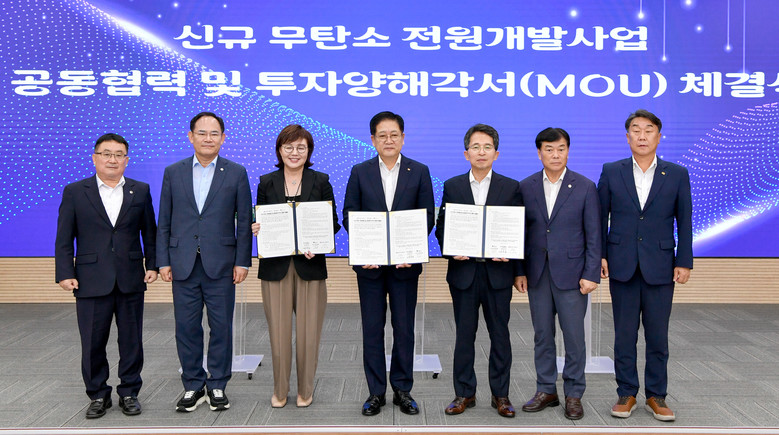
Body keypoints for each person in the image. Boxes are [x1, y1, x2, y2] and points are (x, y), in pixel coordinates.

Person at [598, 109, 693, 422]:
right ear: (627, 137)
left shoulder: (676, 173)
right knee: (624, 335)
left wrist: (684, 261)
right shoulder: (611, 171)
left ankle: (656, 395)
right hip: (621, 263)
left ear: (659, 137)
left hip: (661, 265)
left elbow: (685, 220)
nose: (642, 136)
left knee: (657, 336)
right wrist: (600, 255)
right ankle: (626, 393)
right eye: (636, 130)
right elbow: (599, 217)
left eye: (648, 130)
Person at [55, 133, 157, 419]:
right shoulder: (75, 191)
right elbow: (64, 237)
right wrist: (64, 272)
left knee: (131, 340)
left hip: (130, 277)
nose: (113, 159)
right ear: (95, 158)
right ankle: (98, 394)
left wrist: (152, 265)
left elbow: (150, 232)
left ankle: (129, 392)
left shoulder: (140, 190)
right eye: (106, 154)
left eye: (119, 154)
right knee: (92, 342)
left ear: (127, 159)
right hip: (89, 278)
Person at [157, 112, 252, 412]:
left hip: (222, 264)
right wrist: (162, 261)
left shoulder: (236, 173)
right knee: (186, 327)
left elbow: (244, 221)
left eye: (214, 133)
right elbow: (164, 220)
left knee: (221, 326)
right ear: (191, 136)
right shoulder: (173, 172)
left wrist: (242, 261)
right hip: (182, 262)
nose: (208, 138)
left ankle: (218, 384)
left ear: (223, 138)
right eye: (202, 133)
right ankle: (193, 384)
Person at [342, 111, 435, 416]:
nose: (389, 140)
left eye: (394, 134)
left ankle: (403, 389)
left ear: (403, 138)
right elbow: (349, 214)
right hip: (369, 267)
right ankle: (375, 392)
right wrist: (364, 250)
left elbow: (427, 216)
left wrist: (412, 249)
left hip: (405, 267)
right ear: (373, 140)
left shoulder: (419, 171)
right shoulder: (360, 171)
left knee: (404, 328)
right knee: (372, 328)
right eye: (382, 135)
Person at [435, 124, 523, 418]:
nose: (481, 152)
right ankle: (464, 393)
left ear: (496, 153)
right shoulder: (453, 186)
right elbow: (443, 227)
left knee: (500, 336)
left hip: (499, 275)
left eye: (487, 147)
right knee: (464, 335)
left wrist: (516, 266)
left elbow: (518, 230)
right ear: (466, 153)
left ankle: (501, 395)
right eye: (475, 147)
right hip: (464, 272)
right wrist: (451, 248)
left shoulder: (511, 187)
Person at [251, 125, 340, 408]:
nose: (294, 152)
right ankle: (280, 391)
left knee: (308, 334)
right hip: (275, 267)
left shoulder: (321, 180)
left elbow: (332, 222)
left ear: (309, 151)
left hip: (310, 266)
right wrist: (256, 227)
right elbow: (260, 219)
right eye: (288, 147)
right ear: (279, 150)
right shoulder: (266, 182)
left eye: (301, 147)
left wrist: (320, 241)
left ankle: (305, 390)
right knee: (278, 334)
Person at [517, 127, 601, 420]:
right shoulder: (525, 186)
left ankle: (574, 394)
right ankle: (546, 389)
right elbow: (520, 234)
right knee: (542, 335)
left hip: (573, 275)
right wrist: (519, 271)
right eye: (549, 149)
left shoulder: (585, 186)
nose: (556, 154)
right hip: (537, 274)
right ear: (539, 152)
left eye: (561, 148)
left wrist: (592, 273)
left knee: (574, 338)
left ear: (568, 151)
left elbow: (594, 234)